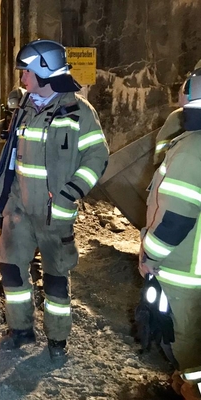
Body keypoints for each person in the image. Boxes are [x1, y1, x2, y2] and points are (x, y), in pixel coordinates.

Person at [0, 39, 109, 361]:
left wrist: (70, 195)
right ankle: (21, 330)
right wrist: (0, 193)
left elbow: (98, 156)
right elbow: (13, 157)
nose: (22, 78)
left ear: (44, 70)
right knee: (12, 271)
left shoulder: (79, 110)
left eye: (26, 72)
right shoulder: (26, 107)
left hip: (57, 213)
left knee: (55, 280)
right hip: (20, 209)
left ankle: (57, 340)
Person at [139, 69, 201, 400]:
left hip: (186, 268)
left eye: (183, 90)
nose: (179, 96)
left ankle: (193, 386)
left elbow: (176, 218)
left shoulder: (193, 149)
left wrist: (150, 254)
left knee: (184, 336)